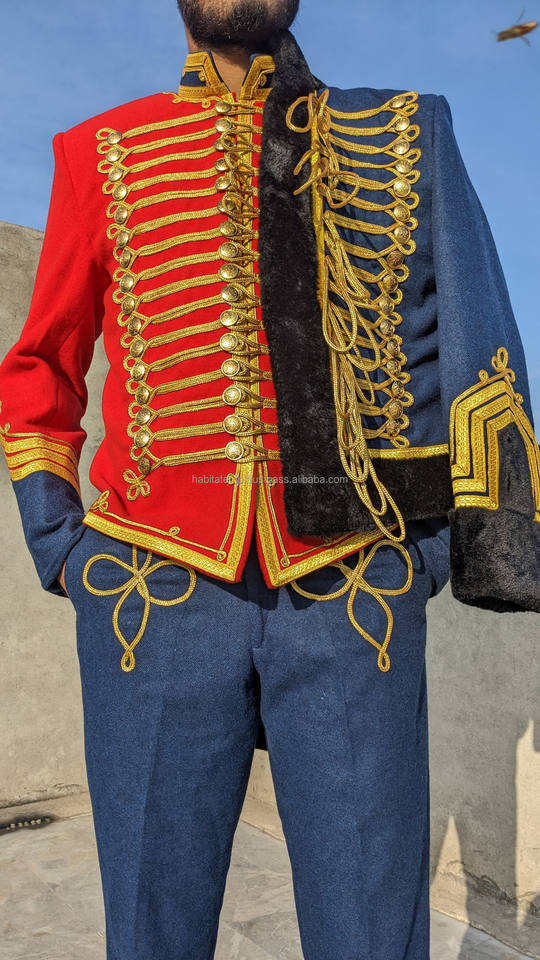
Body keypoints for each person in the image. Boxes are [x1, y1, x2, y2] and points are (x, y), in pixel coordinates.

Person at [1, 1, 539, 958]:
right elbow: (41, 368)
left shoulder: (408, 131)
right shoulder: (100, 151)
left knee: (371, 935)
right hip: (145, 594)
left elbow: (480, 340)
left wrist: (426, 554)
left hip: (354, 590)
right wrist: (61, 545)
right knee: (151, 934)